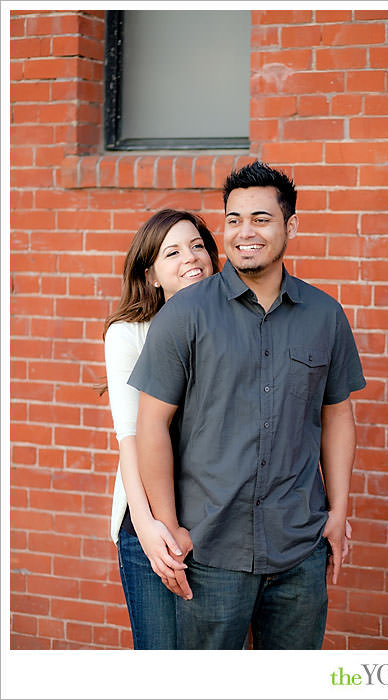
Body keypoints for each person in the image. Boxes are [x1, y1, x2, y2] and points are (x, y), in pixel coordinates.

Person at [130, 161, 366, 649]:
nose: (244, 232)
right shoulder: (186, 314)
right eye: (233, 219)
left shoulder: (325, 314)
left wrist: (339, 512)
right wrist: (171, 525)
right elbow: (151, 425)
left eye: (261, 218)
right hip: (212, 552)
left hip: (299, 549)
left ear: (290, 226)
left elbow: (337, 414)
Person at [101, 209, 220, 648]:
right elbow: (128, 439)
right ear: (150, 274)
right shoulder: (129, 334)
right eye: (172, 252)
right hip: (149, 521)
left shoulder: (231, 324)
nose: (191, 257)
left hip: (215, 522)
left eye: (197, 246)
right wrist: (149, 528)